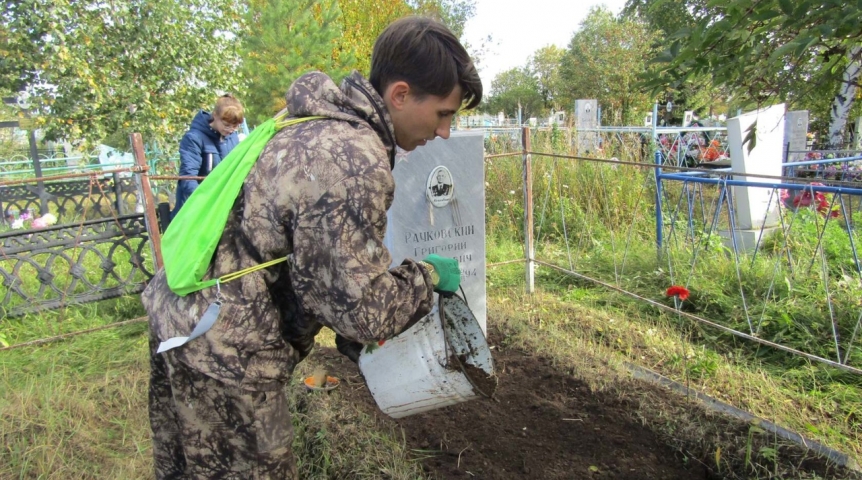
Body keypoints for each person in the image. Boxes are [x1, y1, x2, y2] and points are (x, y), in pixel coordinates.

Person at [142, 16, 481, 479]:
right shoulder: (352, 158)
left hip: (182, 319)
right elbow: (361, 311)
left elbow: (312, 272)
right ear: (400, 95)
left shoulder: (312, 123)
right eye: (444, 114)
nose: (444, 132)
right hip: (228, 354)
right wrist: (429, 277)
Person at [171, 94, 245, 219]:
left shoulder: (232, 138)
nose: (231, 130)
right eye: (227, 125)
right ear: (215, 116)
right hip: (195, 208)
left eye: (235, 126)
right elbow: (188, 177)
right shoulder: (194, 138)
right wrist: (204, 202)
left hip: (222, 205)